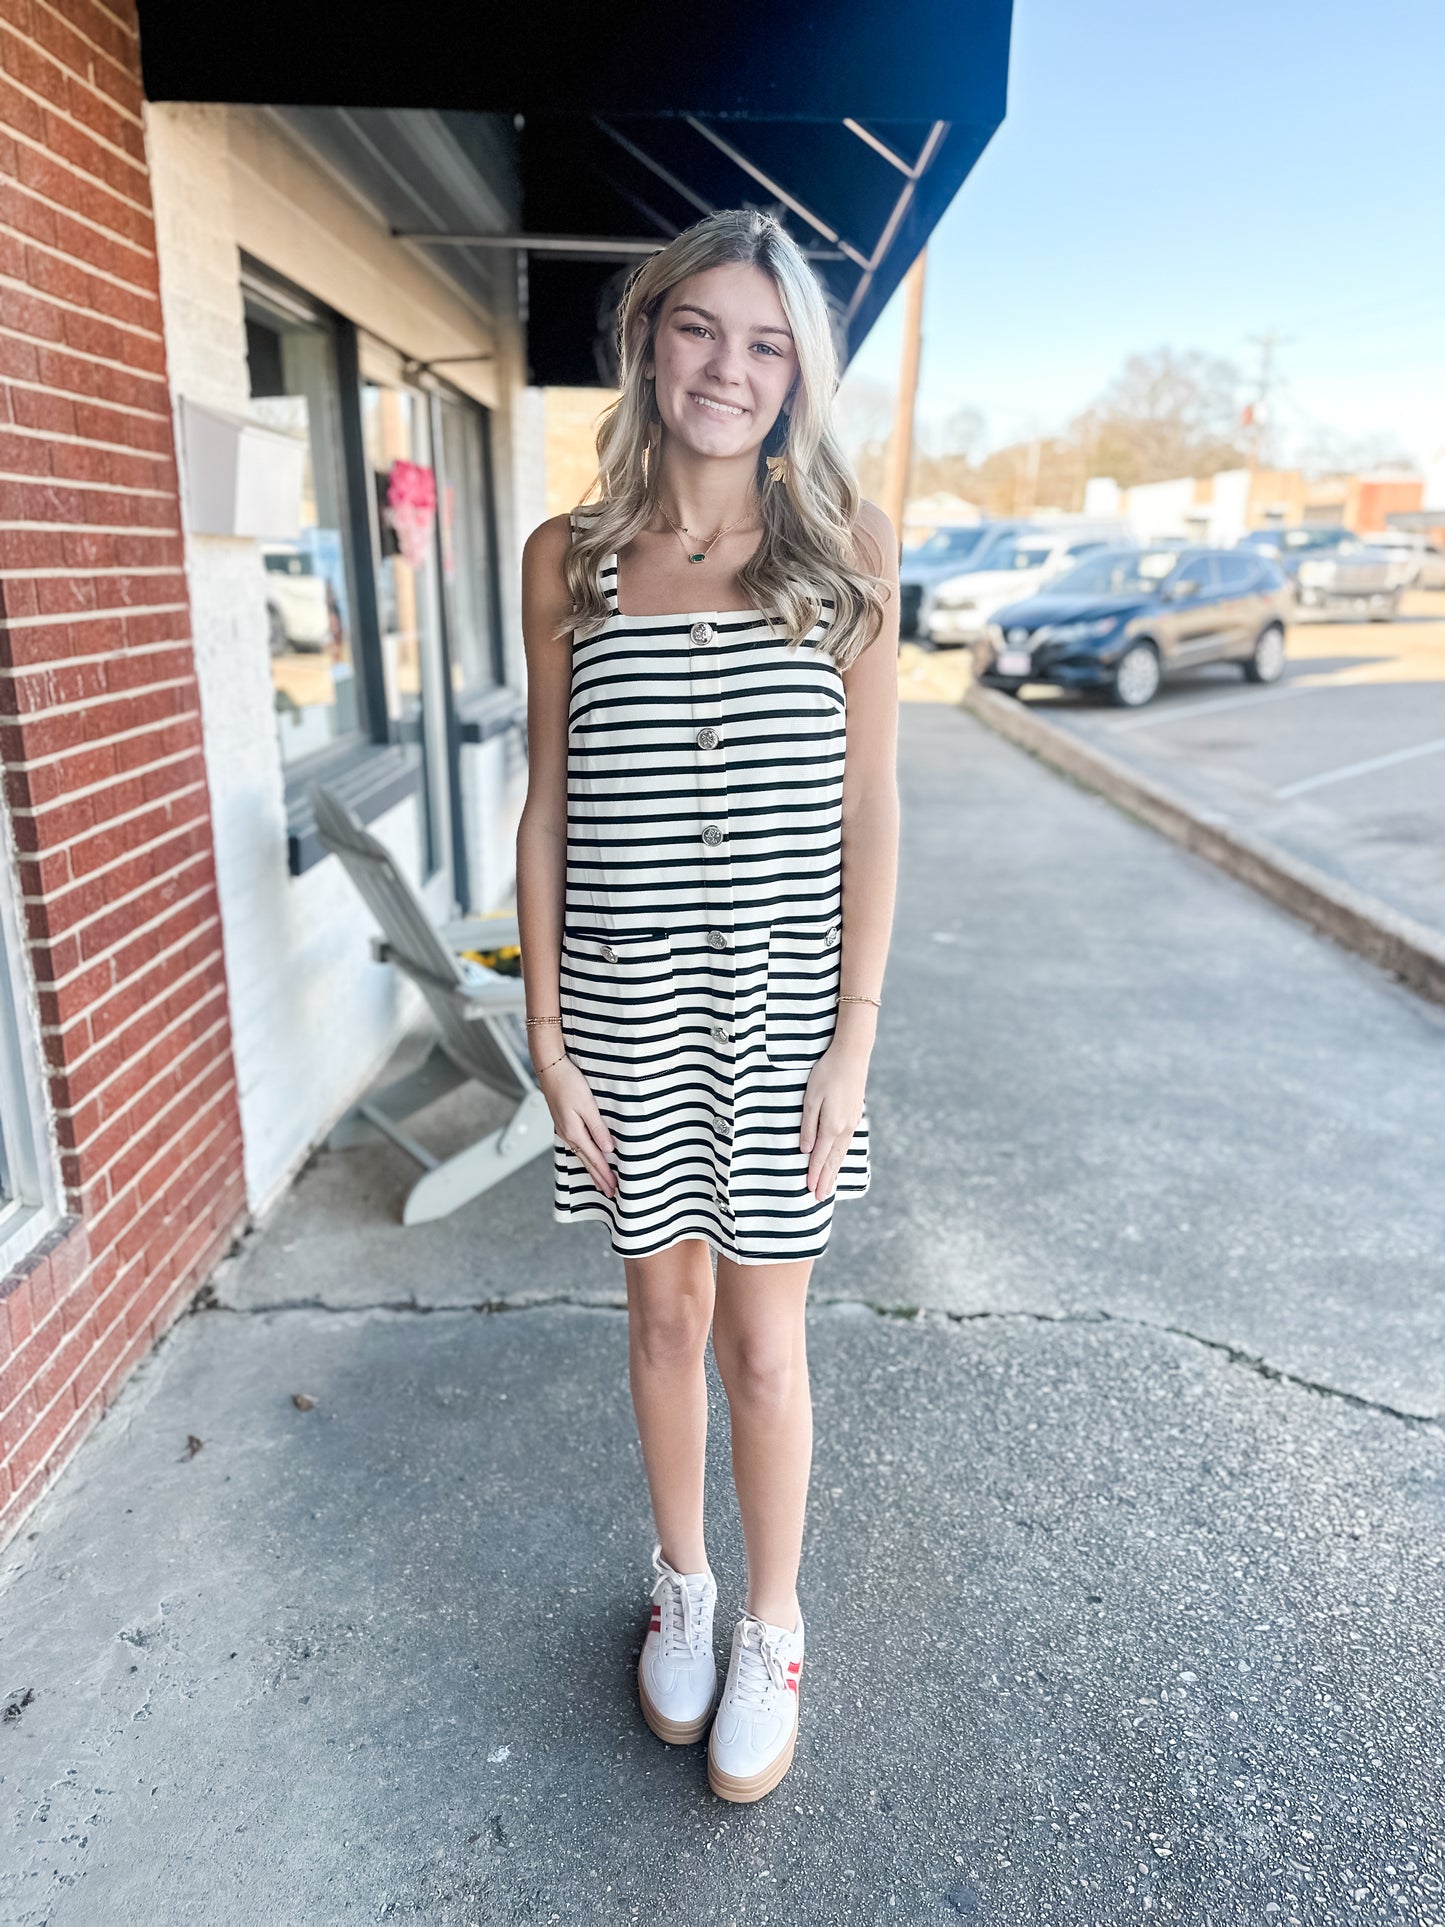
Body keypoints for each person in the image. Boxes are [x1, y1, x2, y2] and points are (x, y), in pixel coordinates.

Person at [515, 207, 900, 1803]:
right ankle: (680, 1580)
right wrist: (543, 1036)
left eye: (763, 341)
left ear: (797, 371)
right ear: (646, 339)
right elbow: (545, 806)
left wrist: (851, 1042)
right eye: (697, 330)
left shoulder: (847, 552)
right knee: (660, 1316)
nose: (725, 368)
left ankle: (773, 1620)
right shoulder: (567, 558)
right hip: (620, 1015)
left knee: (762, 1342)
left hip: (778, 1020)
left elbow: (873, 809)